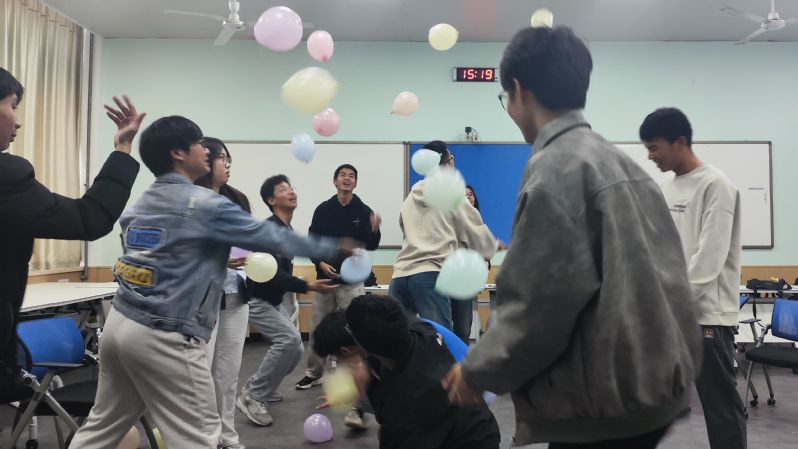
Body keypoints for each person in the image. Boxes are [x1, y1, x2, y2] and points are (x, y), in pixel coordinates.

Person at [442, 26, 701, 449]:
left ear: (519, 91)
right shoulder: (624, 165)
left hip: (602, 404)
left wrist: (478, 370)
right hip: (652, 387)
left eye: (506, 98)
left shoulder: (554, 170)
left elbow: (538, 303)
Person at [68, 115, 352, 449]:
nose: (206, 150)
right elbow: (272, 237)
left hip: (118, 324)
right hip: (165, 331)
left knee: (102, 428)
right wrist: (335, 248)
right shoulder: (204, 204)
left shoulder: (142, 203)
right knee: (200, 436)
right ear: (178, 153)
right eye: (199, 144)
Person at [0, 67, 142, 388]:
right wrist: (122, 150)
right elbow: (88, 219)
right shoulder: (7, 176)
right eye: (12, 105)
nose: (18, 121)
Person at [640, 107, 746, 449]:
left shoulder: (716, 186)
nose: (650, 156)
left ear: (680, 142)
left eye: (654, 147)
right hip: (671, 314)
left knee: (720, 407)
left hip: (705, 317)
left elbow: (708, 261)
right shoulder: (665, 188)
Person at [313, 295, 500, 449]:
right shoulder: (421, 329)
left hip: (470, 428)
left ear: (360, 348)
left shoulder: (403, 411)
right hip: (479, 422)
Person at [236, 174, 338, 427]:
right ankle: (253, 394)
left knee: (296, 349)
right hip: (258, 299)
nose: (291, 192)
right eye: (283, 189)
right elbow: (272, 275)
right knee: (289, 340)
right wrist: (308, 285)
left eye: (291, 188)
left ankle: (265, 388)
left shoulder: (285, 230)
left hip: (272, 301)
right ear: (271, 200)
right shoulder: (270, 231)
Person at [390, 141, 498, 330]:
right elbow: (476, 233)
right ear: (448, 162)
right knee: (441, 339)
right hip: (430, 274)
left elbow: (404, 227)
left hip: (400, 276)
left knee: (401, 337)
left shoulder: (410, 197)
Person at [298, 164, 380, 393]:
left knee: (354, 326)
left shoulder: (363, 211)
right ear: (334, 181)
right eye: (342, 175)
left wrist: (375, 229)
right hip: (325, 281)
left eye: (351, 176)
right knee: (318, 327)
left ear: (355, 183)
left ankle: (352, 372)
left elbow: (371, 245)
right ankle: (313, 373)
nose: (347, 178)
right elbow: (312, 243)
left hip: (352, 281)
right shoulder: (323, 209)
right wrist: (320, 263)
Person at [193, 137, 252, 449]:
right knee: (200, 372)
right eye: (222, 159)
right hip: (201, 297)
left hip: (235, 293)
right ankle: (204, 437)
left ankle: (227, 437)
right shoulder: (189, 199)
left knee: (228, 373)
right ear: (205, 161)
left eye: (230, 160)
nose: (228, 165)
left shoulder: (237, 199)